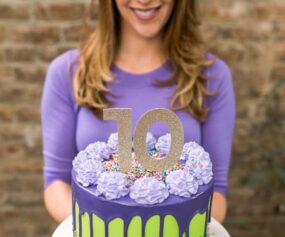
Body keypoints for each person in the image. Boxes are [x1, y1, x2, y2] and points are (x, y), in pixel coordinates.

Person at [41, 0, 235, 224]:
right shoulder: (67, 72)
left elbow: (216, 191)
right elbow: (56, 182)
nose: (144, 0)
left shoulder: (212, 76)